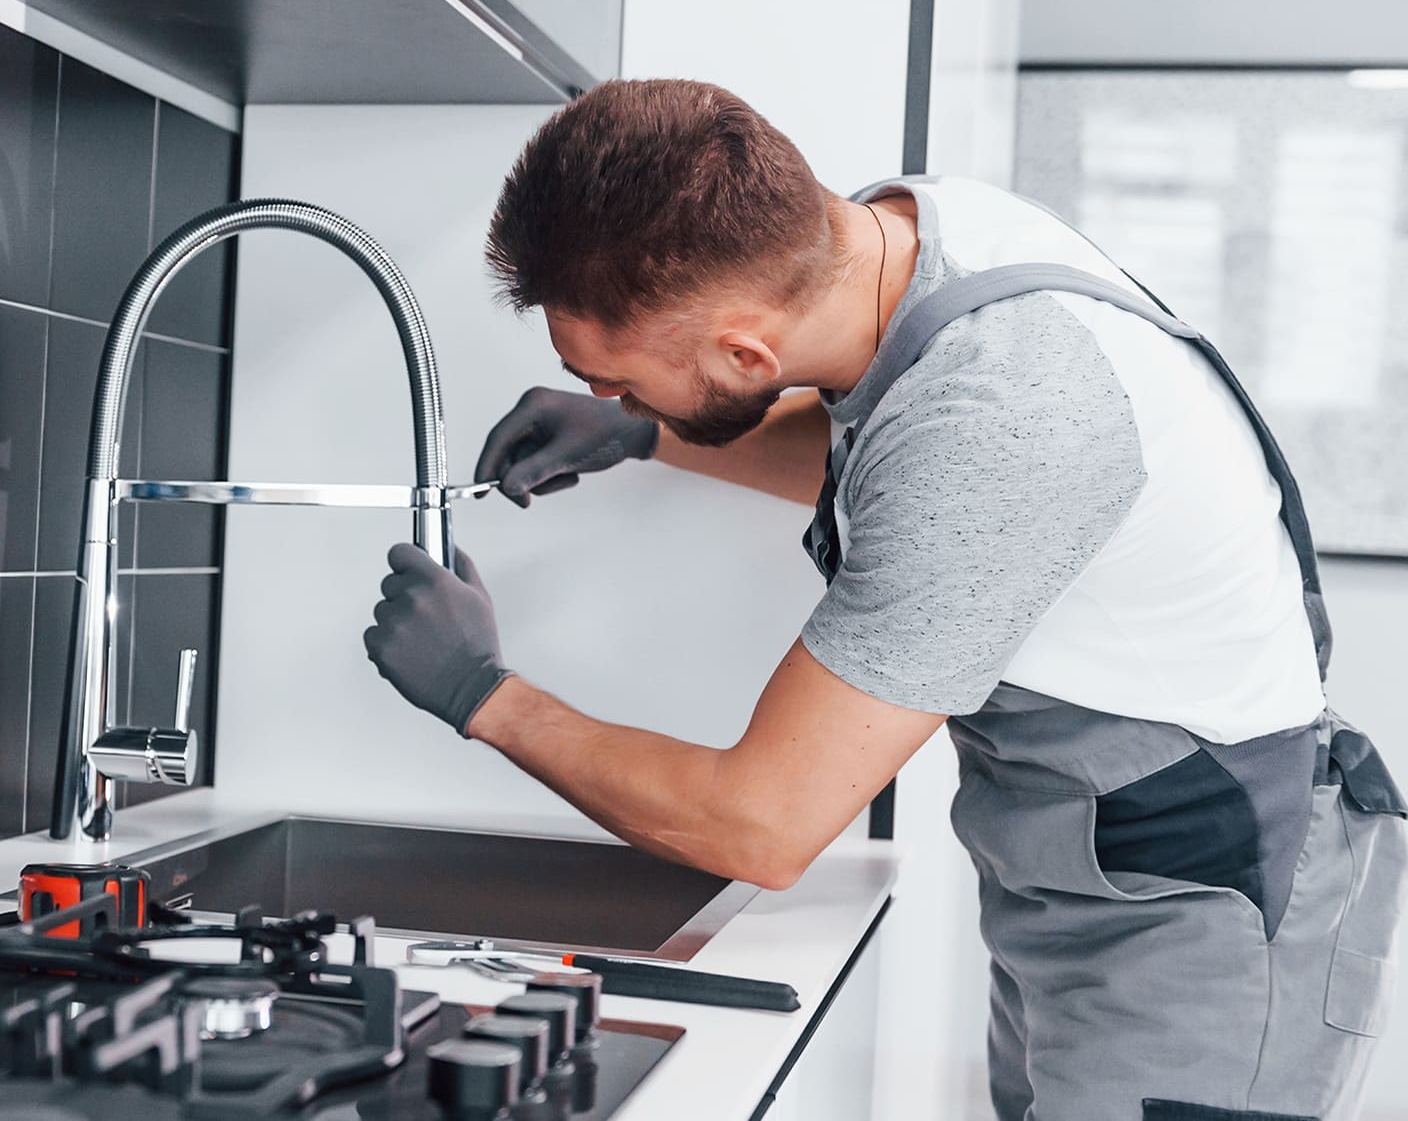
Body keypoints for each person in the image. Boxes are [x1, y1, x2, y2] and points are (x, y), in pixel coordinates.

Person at [360, 78, 1406, 1120]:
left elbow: (759, 824)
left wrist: (479, 693)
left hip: (1206, 914)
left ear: (744, 355)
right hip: (1085, 878)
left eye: (619, 383)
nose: (603, 396)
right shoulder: (897, 237)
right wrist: (653, 430)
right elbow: (902, 461)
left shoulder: (1008, 408)